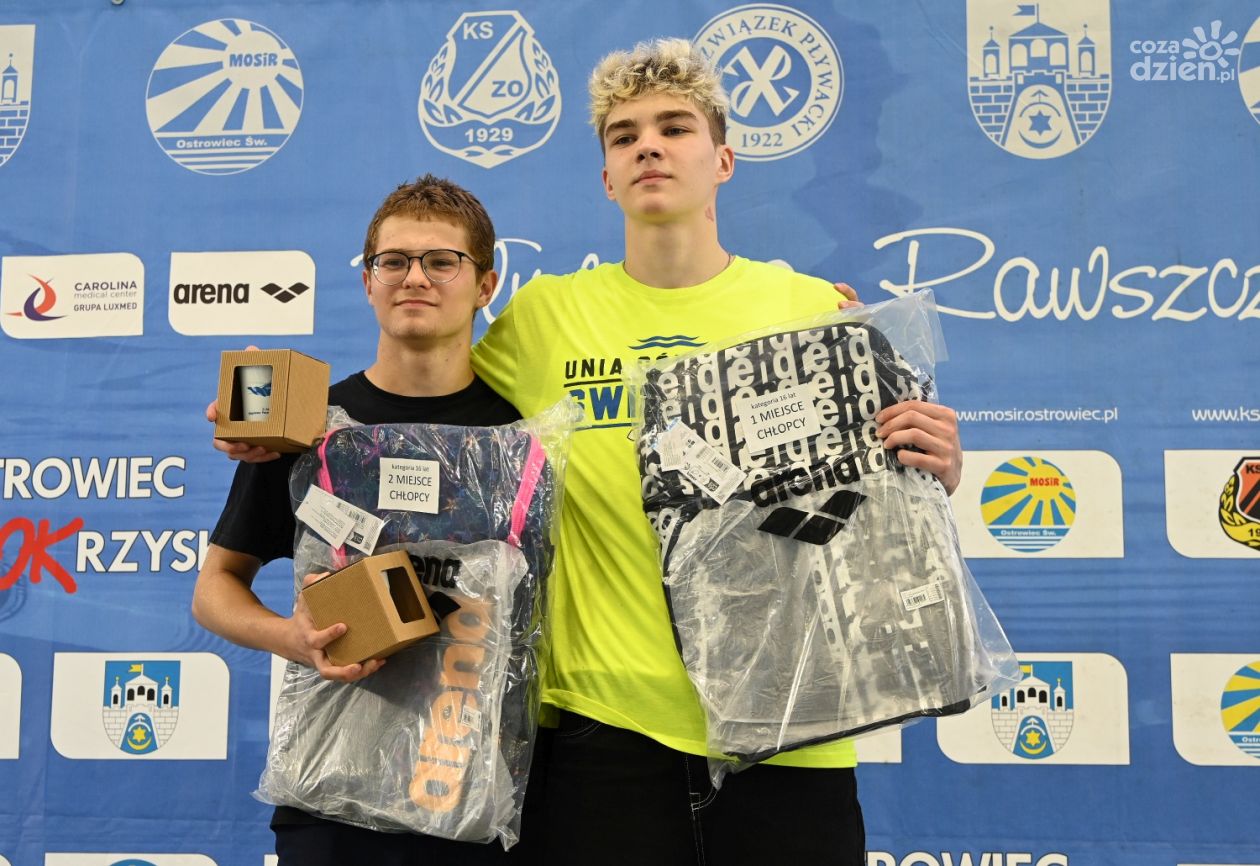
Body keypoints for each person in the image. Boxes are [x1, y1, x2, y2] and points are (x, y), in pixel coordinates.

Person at [466, 39, 962, 865]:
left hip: (793, 728)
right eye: (624, 136)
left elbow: (887, 502)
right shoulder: (544, 317)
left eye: (674, 128)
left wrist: (939, 465)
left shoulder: (809, 305)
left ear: (723, 160)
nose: (648, 147)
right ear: (606, 178)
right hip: (604, 735)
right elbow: (426, 406)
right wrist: (287, 427)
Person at [193, 175, 546, 864]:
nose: (414, 277)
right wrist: (293, 638)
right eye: (394, 261)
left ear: (485, 285)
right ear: (367, 282)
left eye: (441, 261)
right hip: (330, 795)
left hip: (480, 796)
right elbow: (215, 588)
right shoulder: (310, 429)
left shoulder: (525, 436)